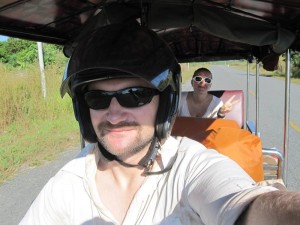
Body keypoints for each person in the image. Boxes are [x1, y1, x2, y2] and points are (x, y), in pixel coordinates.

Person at [19, 23, 300, 225]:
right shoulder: (69, 183)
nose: (114, 115)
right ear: (83, 109)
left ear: (164, 104)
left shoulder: (190, 166)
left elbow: (245, 204)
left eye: (135, 95)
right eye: (97, 97)